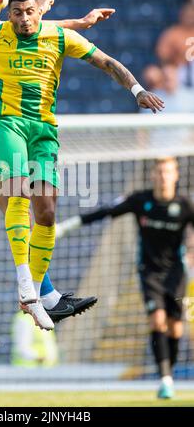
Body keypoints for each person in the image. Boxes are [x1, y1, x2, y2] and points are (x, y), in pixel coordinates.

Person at [0, 0, 163, 333]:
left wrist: (76, 22)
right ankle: (42, 295)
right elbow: (16, 34)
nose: (2, 22)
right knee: (21, 206)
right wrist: (55, 16)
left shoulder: (3, 29)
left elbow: (36, 29)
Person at [56, 157, 194, 399]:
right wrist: (64, 227)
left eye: (168, 172)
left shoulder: (184, 206)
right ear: (153, 175)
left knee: (175, 329)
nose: (163, 177)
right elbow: (105, 212)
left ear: (176, 176)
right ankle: (165, 379)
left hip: (176, 274)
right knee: (157, 320)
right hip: (149, 272)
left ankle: (167, 374)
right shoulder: (141, 200)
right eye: (159, 172)